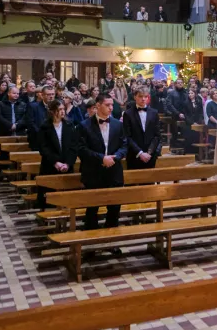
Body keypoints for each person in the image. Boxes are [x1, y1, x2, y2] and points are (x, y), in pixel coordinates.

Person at [78, 94, 127, 229]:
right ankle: (91, 244)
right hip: (93, 172)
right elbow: (81, 149)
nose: (111, 108)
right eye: (107, 105)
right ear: (98, 106)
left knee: (114, 209)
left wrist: (115, 157)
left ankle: (112, 242)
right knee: (92, 209)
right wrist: (101, 158)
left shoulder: (117, 124)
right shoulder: (84, 125)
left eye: (112, 105)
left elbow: (124, 145)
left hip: (114, 171)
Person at [38, 99, 79, 206]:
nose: (62, 111)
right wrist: (55, 162)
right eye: (59, 109)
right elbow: (43, 148)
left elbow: (74, 146)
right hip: (50, 165)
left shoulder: (69, 125)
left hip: (66, 164)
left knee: (67, 197)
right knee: (49, 196)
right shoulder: (44, 126)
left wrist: (68, 163)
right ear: (52, 111)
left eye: (63, 109)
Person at [123, 88, 160, 170]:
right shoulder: (128, 114)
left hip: (150, 155)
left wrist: (149, 152)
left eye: (145, 96)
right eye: (140, 96)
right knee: (132, 181)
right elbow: (127, 136)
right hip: (134, 154)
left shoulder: (154, 113)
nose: (143, 99)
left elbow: (157, 135)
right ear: (135, 97)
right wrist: (140, 153)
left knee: (149, 181)